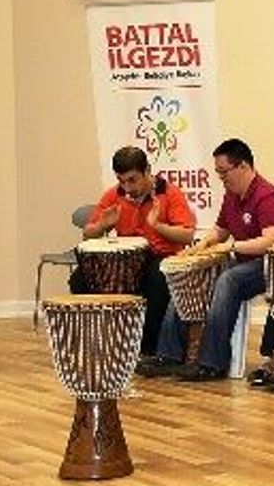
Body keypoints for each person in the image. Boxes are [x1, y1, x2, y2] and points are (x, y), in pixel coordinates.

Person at [136, 139, 274, 381]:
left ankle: (211, 362)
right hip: (245, 261)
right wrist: (199, 248)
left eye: (224, 172)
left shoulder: (268, 196)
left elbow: (271, 241)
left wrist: (231, 246)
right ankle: (168, 355)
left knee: (228, 279)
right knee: (189, 274)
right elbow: (220, 231)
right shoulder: (232, 195)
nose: (221, 178)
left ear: (243, 166)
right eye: (218, 172)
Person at [73, 146, 195, 356]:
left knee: (157, 279)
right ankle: (101, 342)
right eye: (121, 181)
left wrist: (157, 226)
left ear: (147, 170)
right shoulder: (114, 194)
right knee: (80, 279)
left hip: (160, 256)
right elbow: (88, 234)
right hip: (126, 260)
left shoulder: (169, 193)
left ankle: (147, 349)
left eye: (132, 180)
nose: (127, 187)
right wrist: (102, 225)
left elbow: (187, 235)